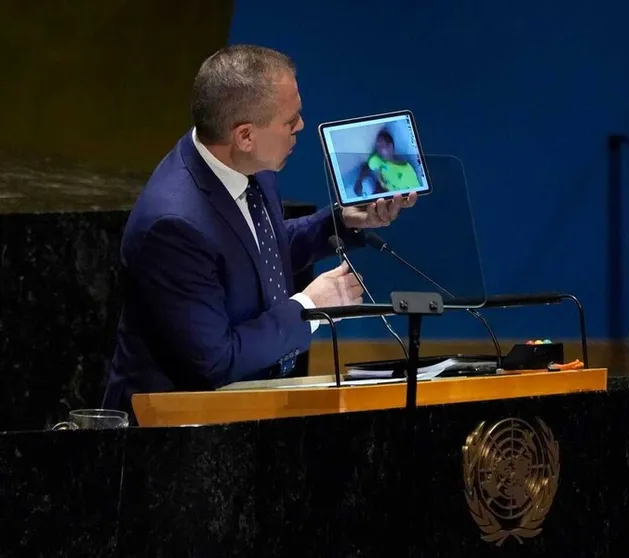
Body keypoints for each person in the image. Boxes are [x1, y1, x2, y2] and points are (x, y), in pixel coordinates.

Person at [102, 45, 416, 420]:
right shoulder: (173, 226)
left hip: (250, 411)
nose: (301, 126)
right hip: (173, 434)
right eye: (290, 121)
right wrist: (310, 308)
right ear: (245, 136)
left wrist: (341, 222)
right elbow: (215, 361)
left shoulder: (251, 167)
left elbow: (257, 249)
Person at [354, 129, 421, 196]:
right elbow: (366, 167)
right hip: (384, 190)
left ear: (390, 146)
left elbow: (417, 193)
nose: (379, 150)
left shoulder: (406, 170)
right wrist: (359, 181)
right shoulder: (377, 159)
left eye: (382, 146)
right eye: (377, 147)